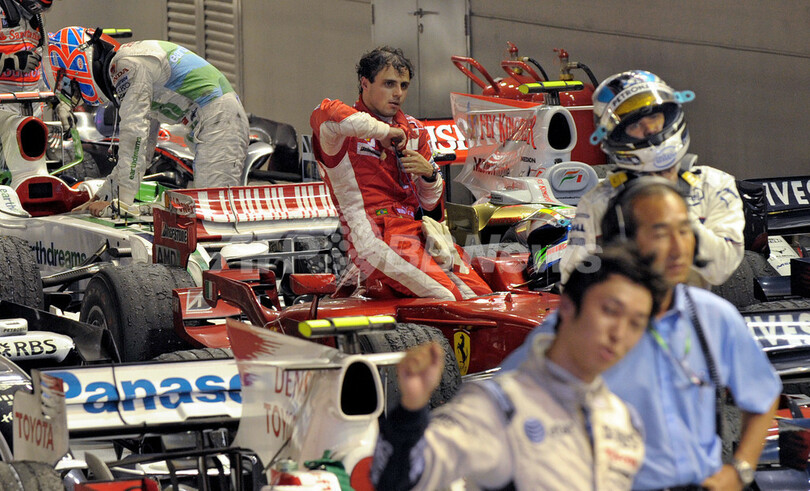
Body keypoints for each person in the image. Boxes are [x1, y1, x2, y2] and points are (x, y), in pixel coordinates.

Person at [503, 177, 781, 490]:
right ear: (621, 241)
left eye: (685, 230)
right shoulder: (574, 328)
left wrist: (740, 469)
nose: (679, 247)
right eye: (661, 233)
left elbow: (763, 393)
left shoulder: (713, 317)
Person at [371, 245, 668, 490]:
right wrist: (410, 412)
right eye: (610, 311)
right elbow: (398, 480)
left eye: (636, 323)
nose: (619, 333)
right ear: (567, 306)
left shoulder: (625, 419)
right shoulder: (499, 407)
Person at [310, 46, 491, 300]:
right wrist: (385, 132)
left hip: (420, 233)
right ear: (365, 83)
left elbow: (430, 204)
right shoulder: (340, 135)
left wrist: (429, 174)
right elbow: (325, 112)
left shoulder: (415, 131)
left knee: (484, 298)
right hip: (373, 236)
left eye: (404, 86)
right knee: (447, 297)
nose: (398, 94)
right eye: (389, 84)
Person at [560, 70, 744, 286]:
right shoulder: (599, 202)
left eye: (654, 117)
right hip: (625, 304)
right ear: (617, 136)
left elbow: (721, 268)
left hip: (690, 303)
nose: (649, 129)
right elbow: (573, 281)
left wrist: (676, 216)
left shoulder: (714, 185)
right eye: (635, 125)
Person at [47, 26, 249, 217]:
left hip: (221, 121)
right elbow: (143, 148)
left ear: (79, 64)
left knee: (212, 212)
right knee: (206, 209)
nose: (77, 95)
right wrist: (106, 194)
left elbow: (134, 136)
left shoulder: (127, 65)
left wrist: (120, 204)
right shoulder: (130, 63)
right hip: (217, 120)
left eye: (73, 86)